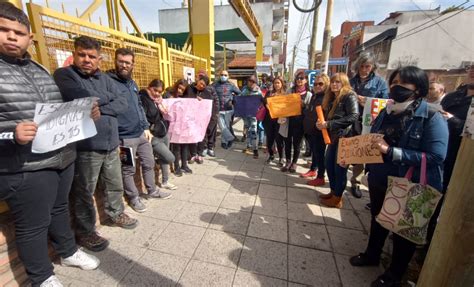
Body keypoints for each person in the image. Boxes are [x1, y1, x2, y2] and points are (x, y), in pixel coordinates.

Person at [0, 4, 99, 286]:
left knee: (58, 209)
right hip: (23, 166)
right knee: (33, 225)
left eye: (18, 32)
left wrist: (83, 112)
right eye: (3, 30)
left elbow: (55, 109)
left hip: (61, 157)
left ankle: (68, 251)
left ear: (30, 37)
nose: (11, 37)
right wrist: (10, 133)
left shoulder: (40, 67)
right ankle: (42, 277)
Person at [349, 66, 448, 287]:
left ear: (418, 89)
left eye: (403, 84)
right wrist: (356, 155)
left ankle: (394, 275)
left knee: (403, 231)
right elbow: (374, 138)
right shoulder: (387, 110)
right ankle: (372, 255)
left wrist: (391, 152)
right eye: (394, 83)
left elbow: (436, 156)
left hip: (409, 182)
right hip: (380, 177)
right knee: (378, 218)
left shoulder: (432, 116)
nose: (396, 88)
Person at [54, 36, 137, 252]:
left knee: (114, 182)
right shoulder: (65, 75)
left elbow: (123, 102)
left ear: (99, 59)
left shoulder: (106, 78)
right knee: (84, 191)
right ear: (74, 54)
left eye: (92, 56)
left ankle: (115, 213)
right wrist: (106, 98)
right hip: (86, 147)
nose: (87, 60)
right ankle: (86, 232)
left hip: (110, 143)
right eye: (82, 55)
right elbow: (80, 96)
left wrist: (102, 107)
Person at [107, 48, 172, 214]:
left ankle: (152, 190)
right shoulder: (108, 81)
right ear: (115, 61)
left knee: (149, 163)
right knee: (128, 169)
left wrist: (145, 127)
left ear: (132, 64)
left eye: (127, 62)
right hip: (124, 137)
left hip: (141, 135)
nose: (124, 65)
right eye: (121, 61)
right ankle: (134, 198)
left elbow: (139, 107)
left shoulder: (132, 83)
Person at [349, 52, 389, 198]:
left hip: (370, 123)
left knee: (362, 153)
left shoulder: (380, 83)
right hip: (351, 121)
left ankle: (356, 182)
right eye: (362, 66)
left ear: (372, 67)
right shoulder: (351, 82)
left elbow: (385, 102)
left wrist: (366, 101)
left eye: (367, 66)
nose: (364, 69)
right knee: (349, 151)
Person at [316, 73, 359, 208]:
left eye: (338, 82)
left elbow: (354, 116)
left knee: (340, 169)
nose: (334, 84)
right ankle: (333, 192)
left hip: (345, 138)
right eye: (333, 82)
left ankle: (337, 198)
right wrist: (322, 124)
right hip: (334, 138)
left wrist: (329, 124)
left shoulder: (349, 95)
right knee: (329, 165)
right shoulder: (332, 97)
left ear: (344, 83)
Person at [139, 79, 177, 190]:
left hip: (163, 132)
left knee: (164, 158)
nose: (157, 93)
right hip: (153, 135)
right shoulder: (143, 99)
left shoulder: (158, 100)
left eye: (160, 92)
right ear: (149, 86)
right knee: (169, 157)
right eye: (155, 90)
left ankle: (165, 181)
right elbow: (143, 117)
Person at [302, 74, 330, 186]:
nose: (317, 86)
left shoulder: (327, 97)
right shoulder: (315, 95)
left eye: (320, 84)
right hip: (311, 130)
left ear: (326, 84)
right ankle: (313, 169)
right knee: (314, 152)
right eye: (315, 84)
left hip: (320, 131)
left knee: (320, 153)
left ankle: (320, 177)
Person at [281, 71, 312, 173]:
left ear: (306, 80)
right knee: (287, 142)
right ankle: (288, 162)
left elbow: (311, 110)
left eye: (302, 78)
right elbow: (284, 103)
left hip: (300, 123)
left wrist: (304, 105)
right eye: (298, 78)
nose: (299, 80)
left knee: (297, 144)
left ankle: (294, 163)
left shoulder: (309, 94)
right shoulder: (290, 90)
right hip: (289, 121)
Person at [186, 74, 219, 161]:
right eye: (201, 83)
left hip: (201, 119)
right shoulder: (189, 88)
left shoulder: (207, 94)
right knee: (192, 135)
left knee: (202, 136)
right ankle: (193, 154)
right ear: (198, 81)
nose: (201, 86)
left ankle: (199, 154)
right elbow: (185, 99)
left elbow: (211, 106)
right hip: (190, 118)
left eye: (204, 85)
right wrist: (194, 98)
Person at [166, 79, 193, 174]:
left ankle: (184, 165)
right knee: (176, 147)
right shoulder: (168, 94)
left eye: (182, 89)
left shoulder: (186, 97)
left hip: (184, 125)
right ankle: (177, 167)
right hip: (174, 125)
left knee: (185, 146)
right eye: (179, 88)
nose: (180, 91)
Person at [213, 70, 240, 149]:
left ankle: (224, 142)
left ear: (228, 76)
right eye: (221, 74)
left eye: (225, 75)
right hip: (218, 109)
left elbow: (239, 93)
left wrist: (233, 98)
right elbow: (209, 91)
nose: (223, 76)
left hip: (229, 109)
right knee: (222, 126)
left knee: (227, 127)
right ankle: (230, 138)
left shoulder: (231, 85)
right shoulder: (215, 85)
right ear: (219, 75)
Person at [262, 76, 286, 165]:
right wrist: (267, 105)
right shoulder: (269, 93)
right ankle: (271, 155)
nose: (276, 84)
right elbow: (264, 102)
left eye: (278, 83)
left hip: (280, 121)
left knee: (279, 140)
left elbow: (286, 106)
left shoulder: (285, 94)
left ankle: (281, 157)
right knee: (270, 139)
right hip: (269, 120)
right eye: (275, 83)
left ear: (282, 84)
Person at [239, 75, 264, 159]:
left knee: (253, 132)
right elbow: (240, 99)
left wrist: (258, 109)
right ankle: (248, 146)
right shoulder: (245, 90)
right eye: (250, 81)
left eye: (253, 81)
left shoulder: (258, 91)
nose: (251, 83)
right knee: (247, 131)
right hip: (246, 116)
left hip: (253, 116)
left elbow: (262, 102)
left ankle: (255, 150)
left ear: (255, 82)